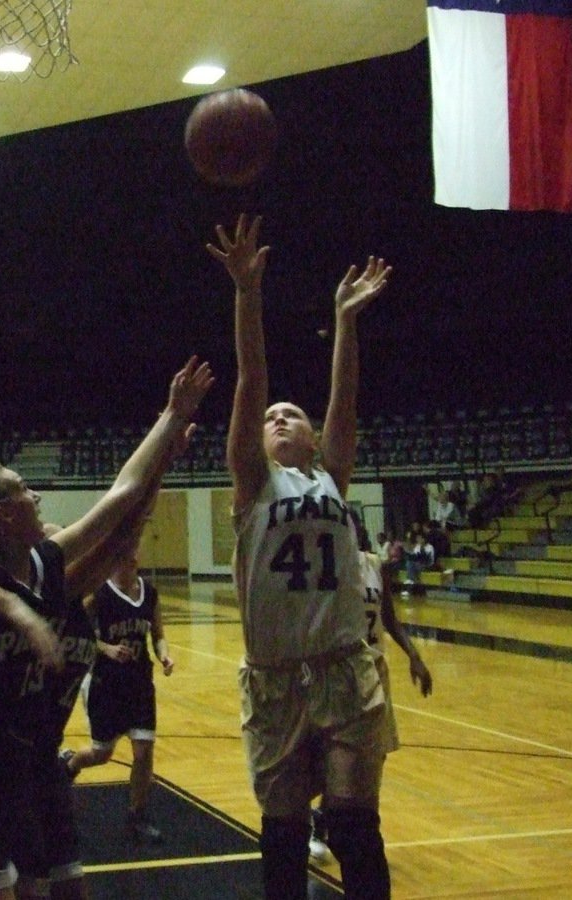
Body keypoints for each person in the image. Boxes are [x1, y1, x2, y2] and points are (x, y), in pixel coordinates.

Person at [0, 358, 213, 900]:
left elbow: (120, 500)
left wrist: (169, 421)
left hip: (23, 754)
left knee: (58, 886)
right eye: (26, 490)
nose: (38, 498)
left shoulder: (46, 562)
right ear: (5, 514)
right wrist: (18, 610)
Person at [209, 214, 392, 899]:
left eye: (293, 414)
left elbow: (345, 400)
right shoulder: (253, 484)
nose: (279, 417)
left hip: (344, 670)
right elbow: (251, 376)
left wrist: (346, 321)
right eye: (270, 417)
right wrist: (247, 293)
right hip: (275, 678)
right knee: (283, 837)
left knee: (352, 824)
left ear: (313, 439)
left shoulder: (332, 479)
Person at [310, 517, 434, 862]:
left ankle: (350, 825)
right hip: (341, 669)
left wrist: (415, 656)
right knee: (340, 756)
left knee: (374, 755)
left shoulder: (374, 567)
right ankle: (321, 820)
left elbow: (389, 618)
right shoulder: (326, 571)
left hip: (375, 670)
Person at [60, 531, 174, 844]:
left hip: (139, 683)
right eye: (127, 552)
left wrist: (164, 655)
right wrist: (106, 648)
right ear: (116, 559)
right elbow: (75, 630)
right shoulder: (99, 594)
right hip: (104, 682)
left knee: (143, 750)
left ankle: (138, 814)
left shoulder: (149, 593)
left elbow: (158, 634)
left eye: (135, 552)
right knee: (101, 753)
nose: (133, 556)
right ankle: (68, 765)